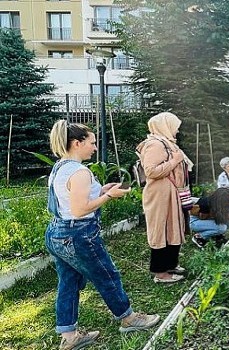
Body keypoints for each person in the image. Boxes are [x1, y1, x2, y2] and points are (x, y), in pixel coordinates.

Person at [46, 120, 160, 350]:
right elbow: (79, 209)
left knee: (68, 282)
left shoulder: (61, 167)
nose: (95, 147)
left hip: (58, 233)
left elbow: (69, 200)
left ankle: (69, 337)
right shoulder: (79, 172)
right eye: (92, 142)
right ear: (77, 143)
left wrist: (102, 189)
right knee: (107, 275)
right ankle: (128, 319)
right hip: (78, 235)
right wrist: (109, 197)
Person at [137, 112, 191, 283]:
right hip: (160, 196)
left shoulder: (167, 143)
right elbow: (151, 171)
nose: (177, 131)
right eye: (174, 127)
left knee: (173, 228)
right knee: (162, 230)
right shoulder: (155, 144)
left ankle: (170, 264)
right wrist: (174, 161)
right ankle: (161, 273)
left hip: (171, 194)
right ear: (165, 126)